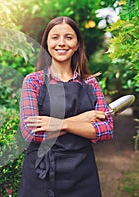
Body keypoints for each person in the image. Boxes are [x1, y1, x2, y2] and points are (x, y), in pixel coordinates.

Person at [18, 16, 114, 197]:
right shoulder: (34, 81)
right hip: (41, 173)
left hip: (82, 173)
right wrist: (82, 120)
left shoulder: (90, 83)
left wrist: (60, 124)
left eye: (68, 37)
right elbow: (32, 132)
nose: (61, 43)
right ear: (46, 44)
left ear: (77, 44)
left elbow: (106, 129)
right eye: (55, 37)